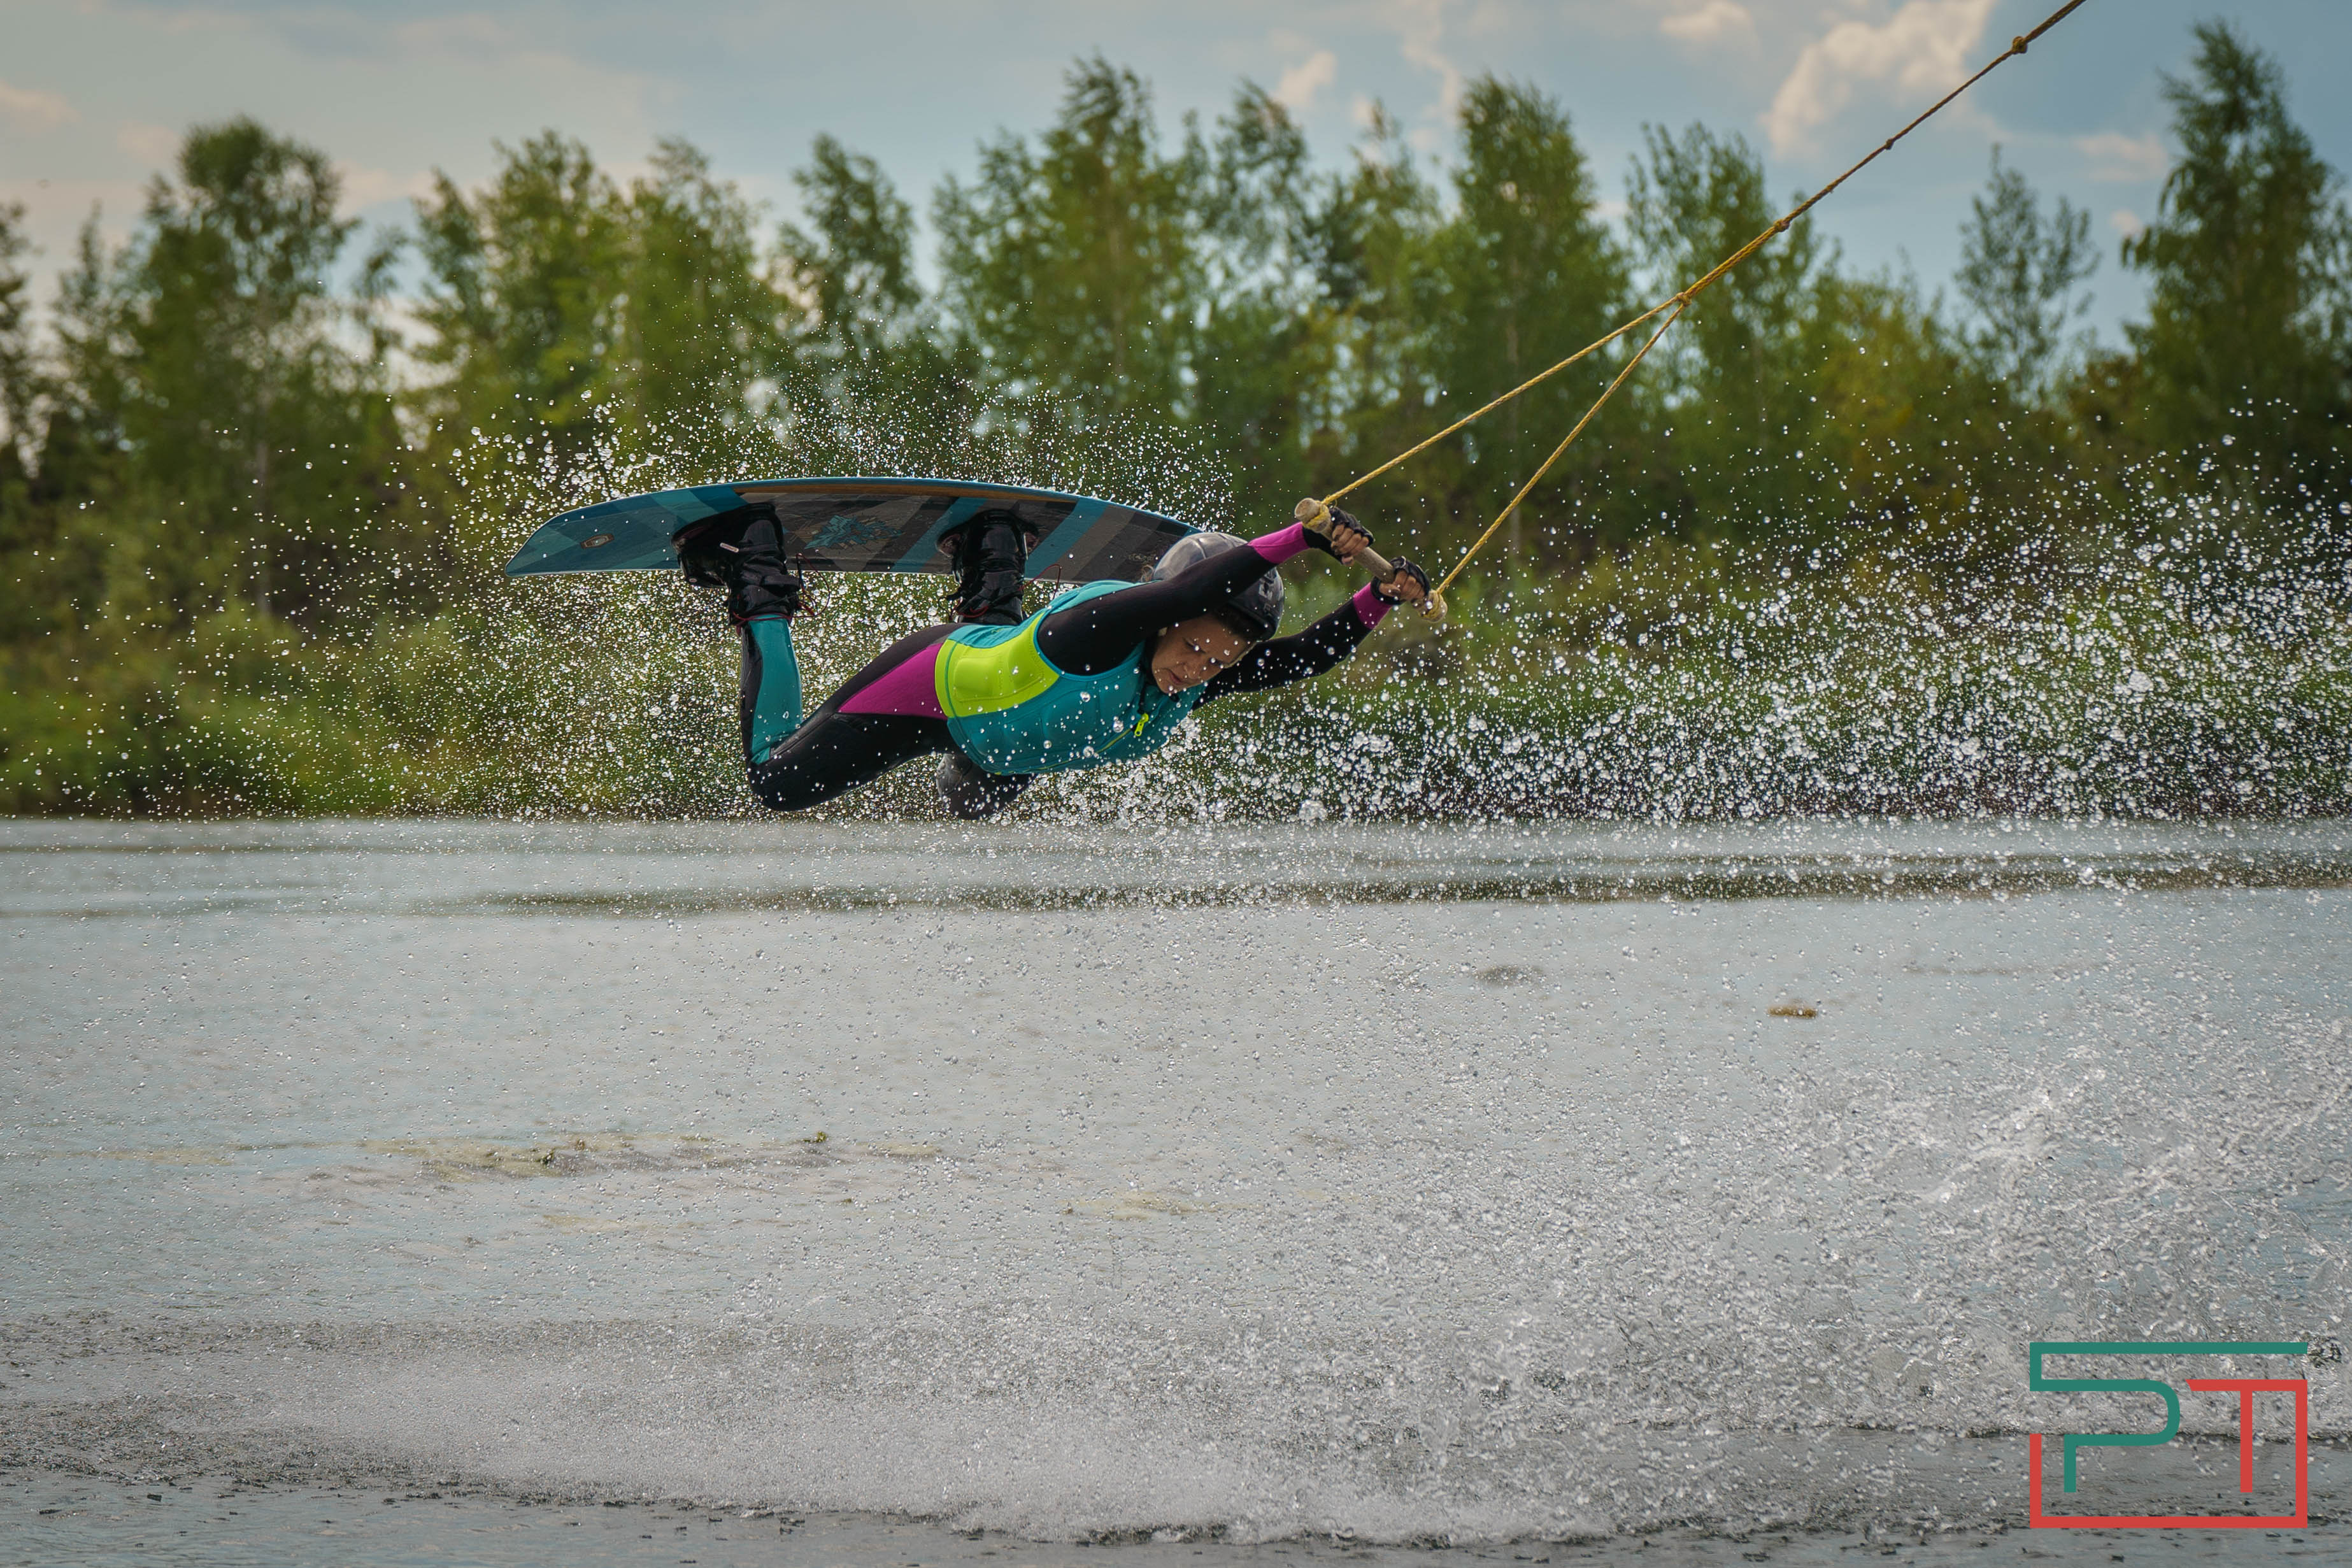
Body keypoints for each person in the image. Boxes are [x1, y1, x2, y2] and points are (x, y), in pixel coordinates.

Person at [676, 502, 1430, 819]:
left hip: (1001, 745)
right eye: (1195, 644)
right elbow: (1205, 583)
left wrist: (1380, 599)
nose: (1202, 666)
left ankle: (992, 549)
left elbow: (1301, 659)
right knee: (776, 781)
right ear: (1166, 613)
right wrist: (1301, 540)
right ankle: (758, 571)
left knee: (972, 804)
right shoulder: (1105, 627)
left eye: (1220, 658)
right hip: (932, 692)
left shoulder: (1193, 679)